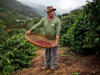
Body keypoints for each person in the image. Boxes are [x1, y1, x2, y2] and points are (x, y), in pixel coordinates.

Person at [26, 6, 61, 70]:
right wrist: (30, 30)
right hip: (46, 39)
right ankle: (47, 65)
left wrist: (56, 40)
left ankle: (53, 66)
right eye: (48, 12)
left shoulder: (57, 20)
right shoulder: (44, 19)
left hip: (53, 40)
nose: (49, 13)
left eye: (50, 11)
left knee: (54, 53)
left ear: (53, 11)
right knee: (47, 53)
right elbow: (37, 25)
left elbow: (58, 31)